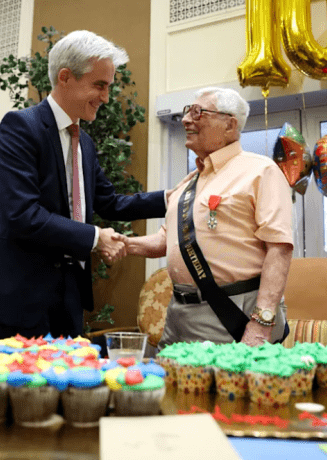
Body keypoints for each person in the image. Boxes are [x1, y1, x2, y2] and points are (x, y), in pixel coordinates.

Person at [0, 30, 169, 340]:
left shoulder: (85, 143)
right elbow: (23, 214)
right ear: (65, 77)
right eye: (99, 85)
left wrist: (170, 198)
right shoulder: (21, 127)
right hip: (22, 295)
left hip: (70, 294)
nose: (106, 97)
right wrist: (96, 237)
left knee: (70, 384)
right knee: (28, 386)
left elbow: (110, 203)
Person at [125, 87, 294, 348]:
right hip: (178, 313)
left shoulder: (261, 171)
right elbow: (165, 240)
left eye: (198, 112)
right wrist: (120, 243)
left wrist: (262, 322)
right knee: (171, 386)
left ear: (230, 125)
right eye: (186, 112)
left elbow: (279, 249)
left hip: (231, 311)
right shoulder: (189, 182)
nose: (185, 120)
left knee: (226, 388)